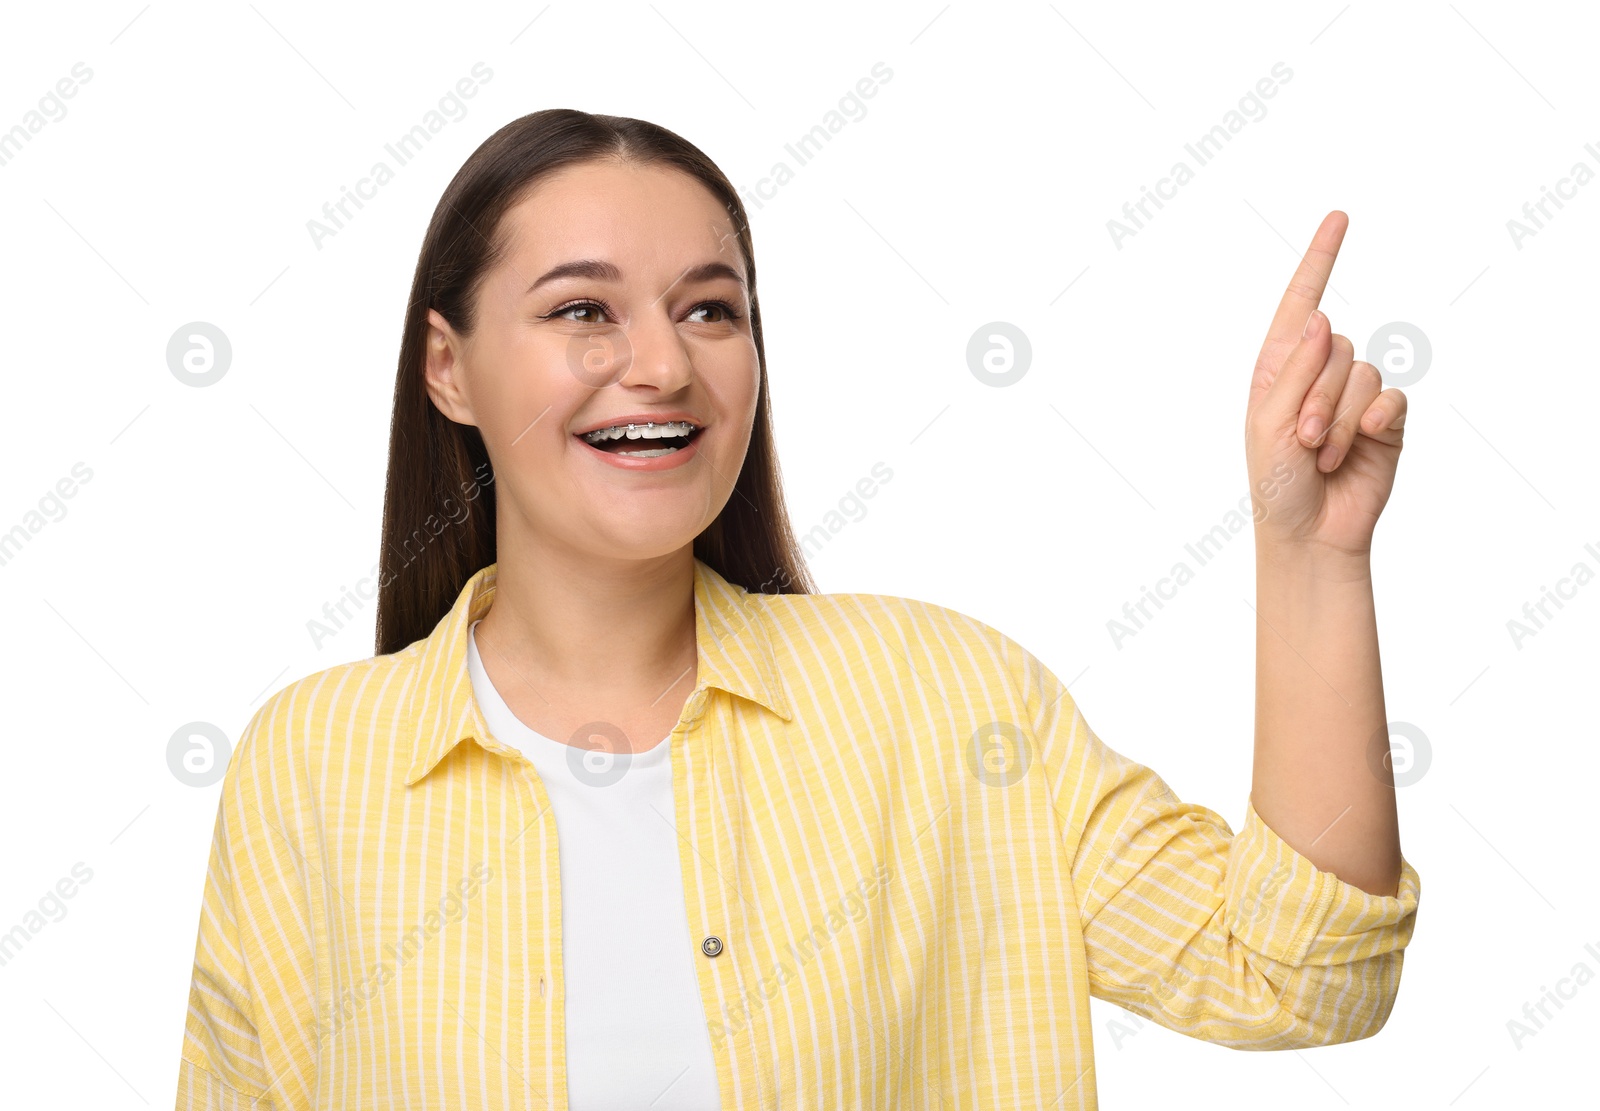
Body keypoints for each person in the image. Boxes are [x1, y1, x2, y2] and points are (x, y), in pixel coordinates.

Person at [174, 108, 1420, 1110]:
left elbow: (1299, 976)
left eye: (709, 307)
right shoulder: (311, 762)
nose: (662, 364)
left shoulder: (946, 699)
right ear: (447, 366)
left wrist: (1310, 557)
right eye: (581, 310)